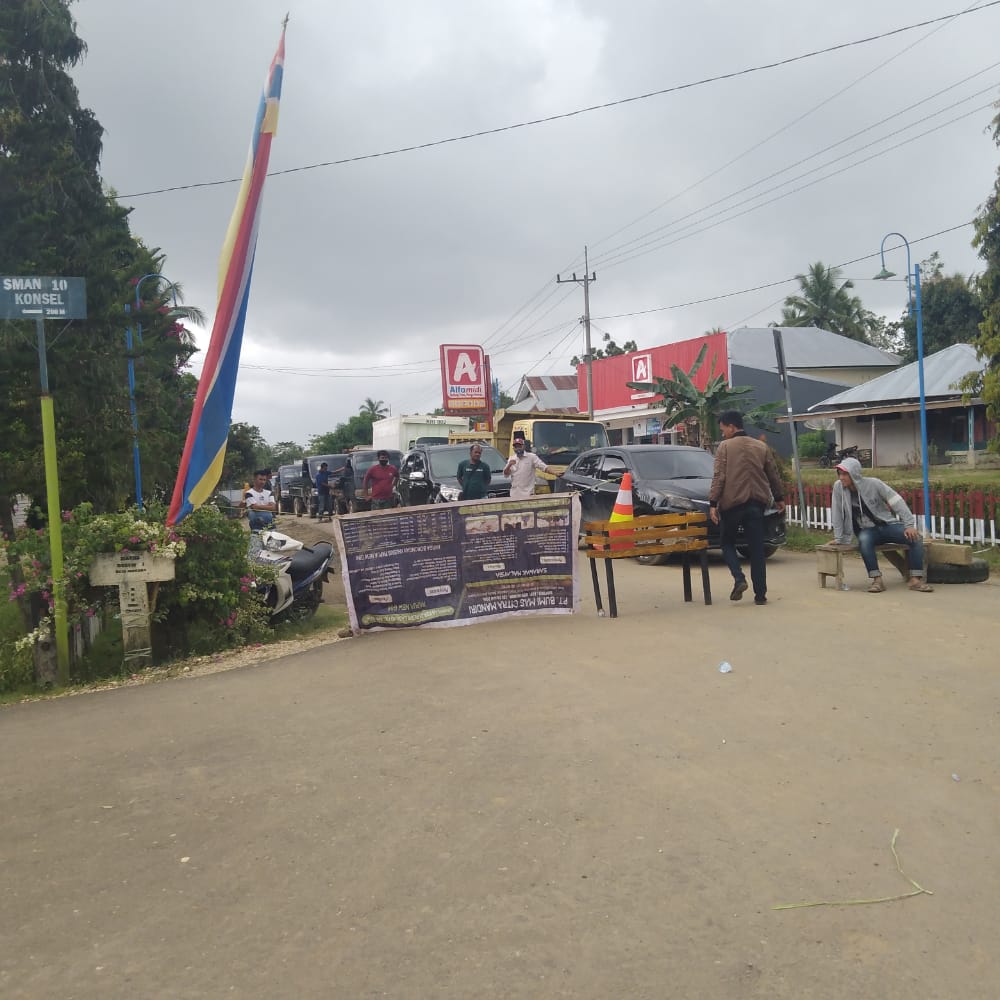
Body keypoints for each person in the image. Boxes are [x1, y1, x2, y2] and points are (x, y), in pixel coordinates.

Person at [708, 410, 786, 605]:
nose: (723, 433)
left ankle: (739, 578)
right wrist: (779, 497)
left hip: (732, 504)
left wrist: (713, 503)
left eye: (723, 429)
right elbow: (773, 474)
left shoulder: (724, 447)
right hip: (757, 504)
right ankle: (760, 595)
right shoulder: (761, 446)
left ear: (731, 427)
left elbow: (719, 477)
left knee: (727, 543)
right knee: (757, 549)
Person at [831, 456, 933, 593]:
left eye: (845, 474)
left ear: (854, 473)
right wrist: (839, 538)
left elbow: (896, 501)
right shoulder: (838, 488)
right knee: (864, 540)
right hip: (867, 530)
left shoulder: (874, 484)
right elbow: (837, 512)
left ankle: (915, 580)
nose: (841, 477)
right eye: (840, 474)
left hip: (887, 525)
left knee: (915, 538)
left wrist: (909, 525)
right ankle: (877, 580)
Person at [503, 432, 553, 500]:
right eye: (516, 447)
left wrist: (555, 473)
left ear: (523, 446)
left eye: (519, 446)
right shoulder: (512, 458)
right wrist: (509, 465)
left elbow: (543, 467)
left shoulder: (531, 457)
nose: (518, 449)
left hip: (528, 495)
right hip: (514, 495)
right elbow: (506, 474)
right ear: (513, 448)